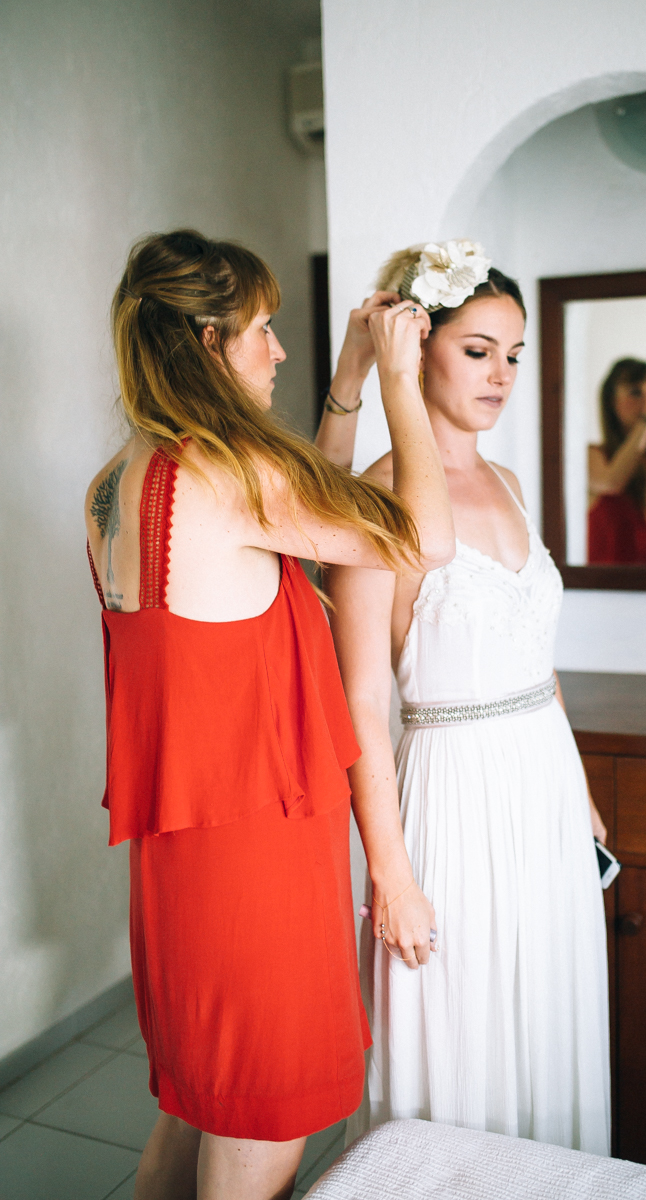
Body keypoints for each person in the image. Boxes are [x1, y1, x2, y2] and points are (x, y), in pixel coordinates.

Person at [84, 230, 453, 1200]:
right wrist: (403, 384)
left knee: (195, 1103)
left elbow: (293, 527)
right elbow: (423, 539)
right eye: (263, 331)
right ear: (209, 344)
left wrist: (348, 383)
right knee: (262, 1126)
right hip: (255, 854)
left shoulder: (123, 483)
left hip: (181, 854)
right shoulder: (231, 474)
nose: (276, 351)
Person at [325, 240, 611, 1151]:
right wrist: (391, 872)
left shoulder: (511, 484)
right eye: (479, 349)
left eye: (514, 354)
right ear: (421, 346)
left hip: (544, 787)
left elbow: (536, 656)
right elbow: (363, 700)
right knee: (459, 1039)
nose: (501, 375)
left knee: (544, 1018)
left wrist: (585, 798)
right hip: (448, 797)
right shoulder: (376, 501)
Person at [587, 357, 646, 565]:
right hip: (605, 587)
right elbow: (611, 482)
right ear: (611, 401)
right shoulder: (594, 455)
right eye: (635, 393)